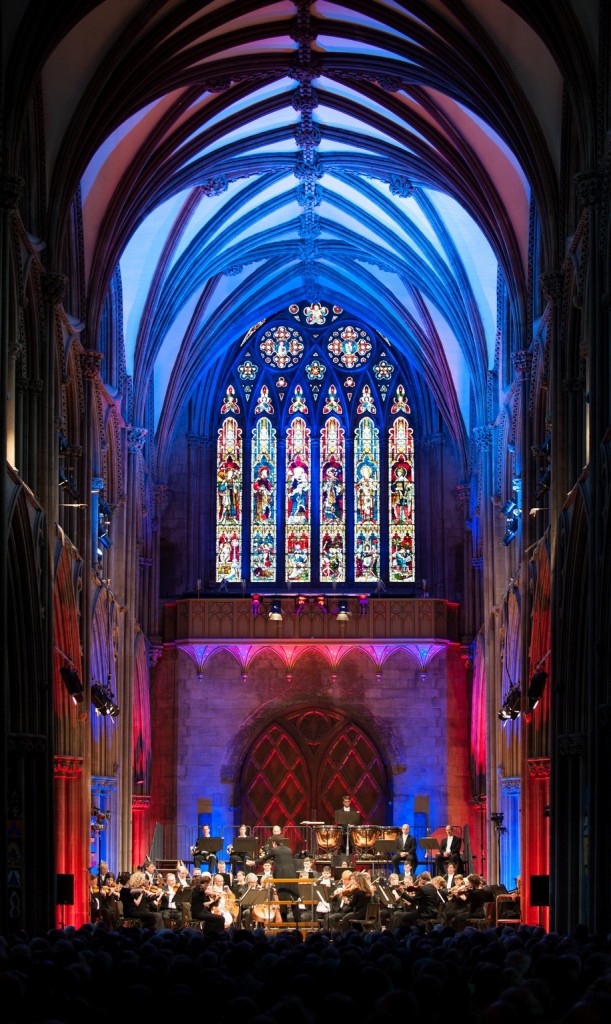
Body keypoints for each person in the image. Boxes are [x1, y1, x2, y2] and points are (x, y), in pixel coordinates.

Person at [256, 837, 300, 923]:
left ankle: (284, 924)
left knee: (283, 901)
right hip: (292, 877)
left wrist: (254, 863)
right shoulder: (289, 850)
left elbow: (264, 859)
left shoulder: (274, 850)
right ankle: (298, 923)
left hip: (282, 878)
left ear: (274, 843)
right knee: (294, 901)